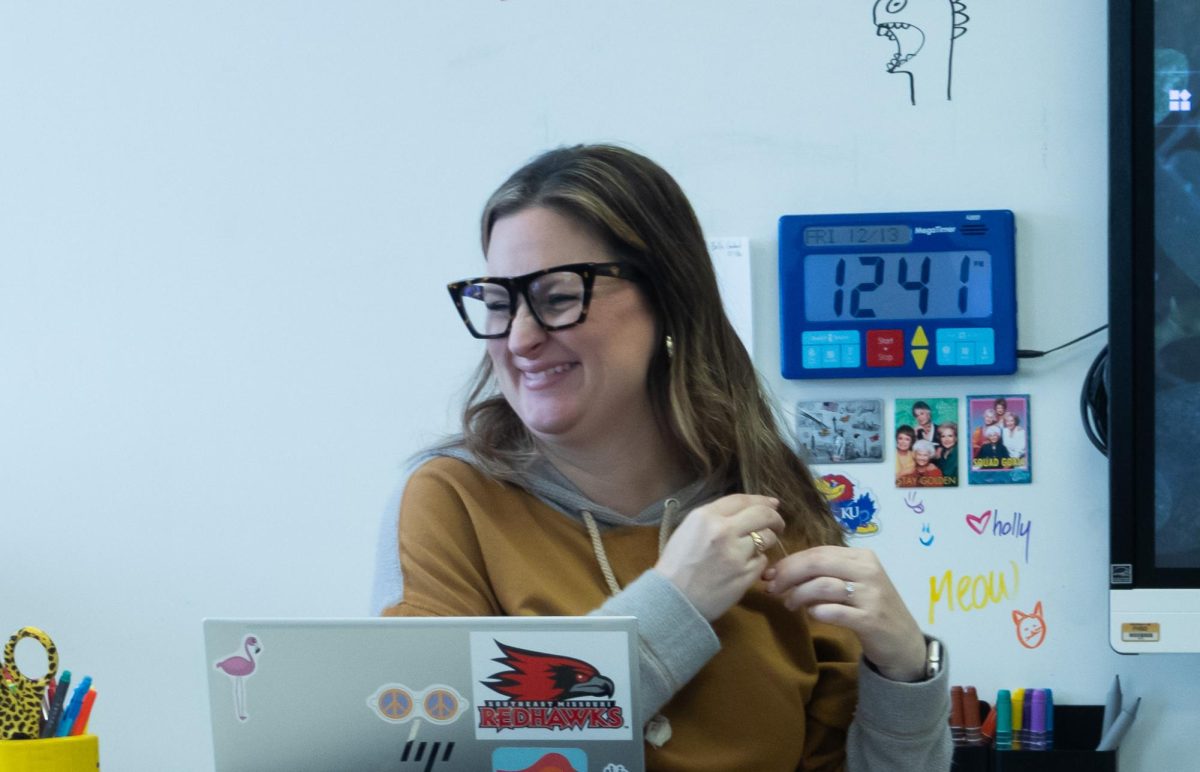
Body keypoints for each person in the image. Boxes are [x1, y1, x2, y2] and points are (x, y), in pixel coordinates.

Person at [376, 145, 950, 770]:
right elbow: (436, 757)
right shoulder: (452, 501)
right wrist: (671, 608)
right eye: (498, 301)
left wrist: (907, 677)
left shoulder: (771, 504)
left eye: (558, 295)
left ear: (668, 300)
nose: (520, 337)